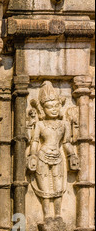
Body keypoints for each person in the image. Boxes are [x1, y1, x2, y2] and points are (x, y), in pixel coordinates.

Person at [27, 81, 79, 219]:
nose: (54, 109)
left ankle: (58, 214)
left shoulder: (64, 124)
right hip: (42, 155)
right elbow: (35, 141)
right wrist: (32, 156)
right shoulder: (40, 124)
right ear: (43, 109)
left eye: (56, 106)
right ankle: (47, 216)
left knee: (58, 187)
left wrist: (72, 155)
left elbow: (66, 142)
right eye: (50, 107)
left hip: (58, 156)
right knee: (44, 188)